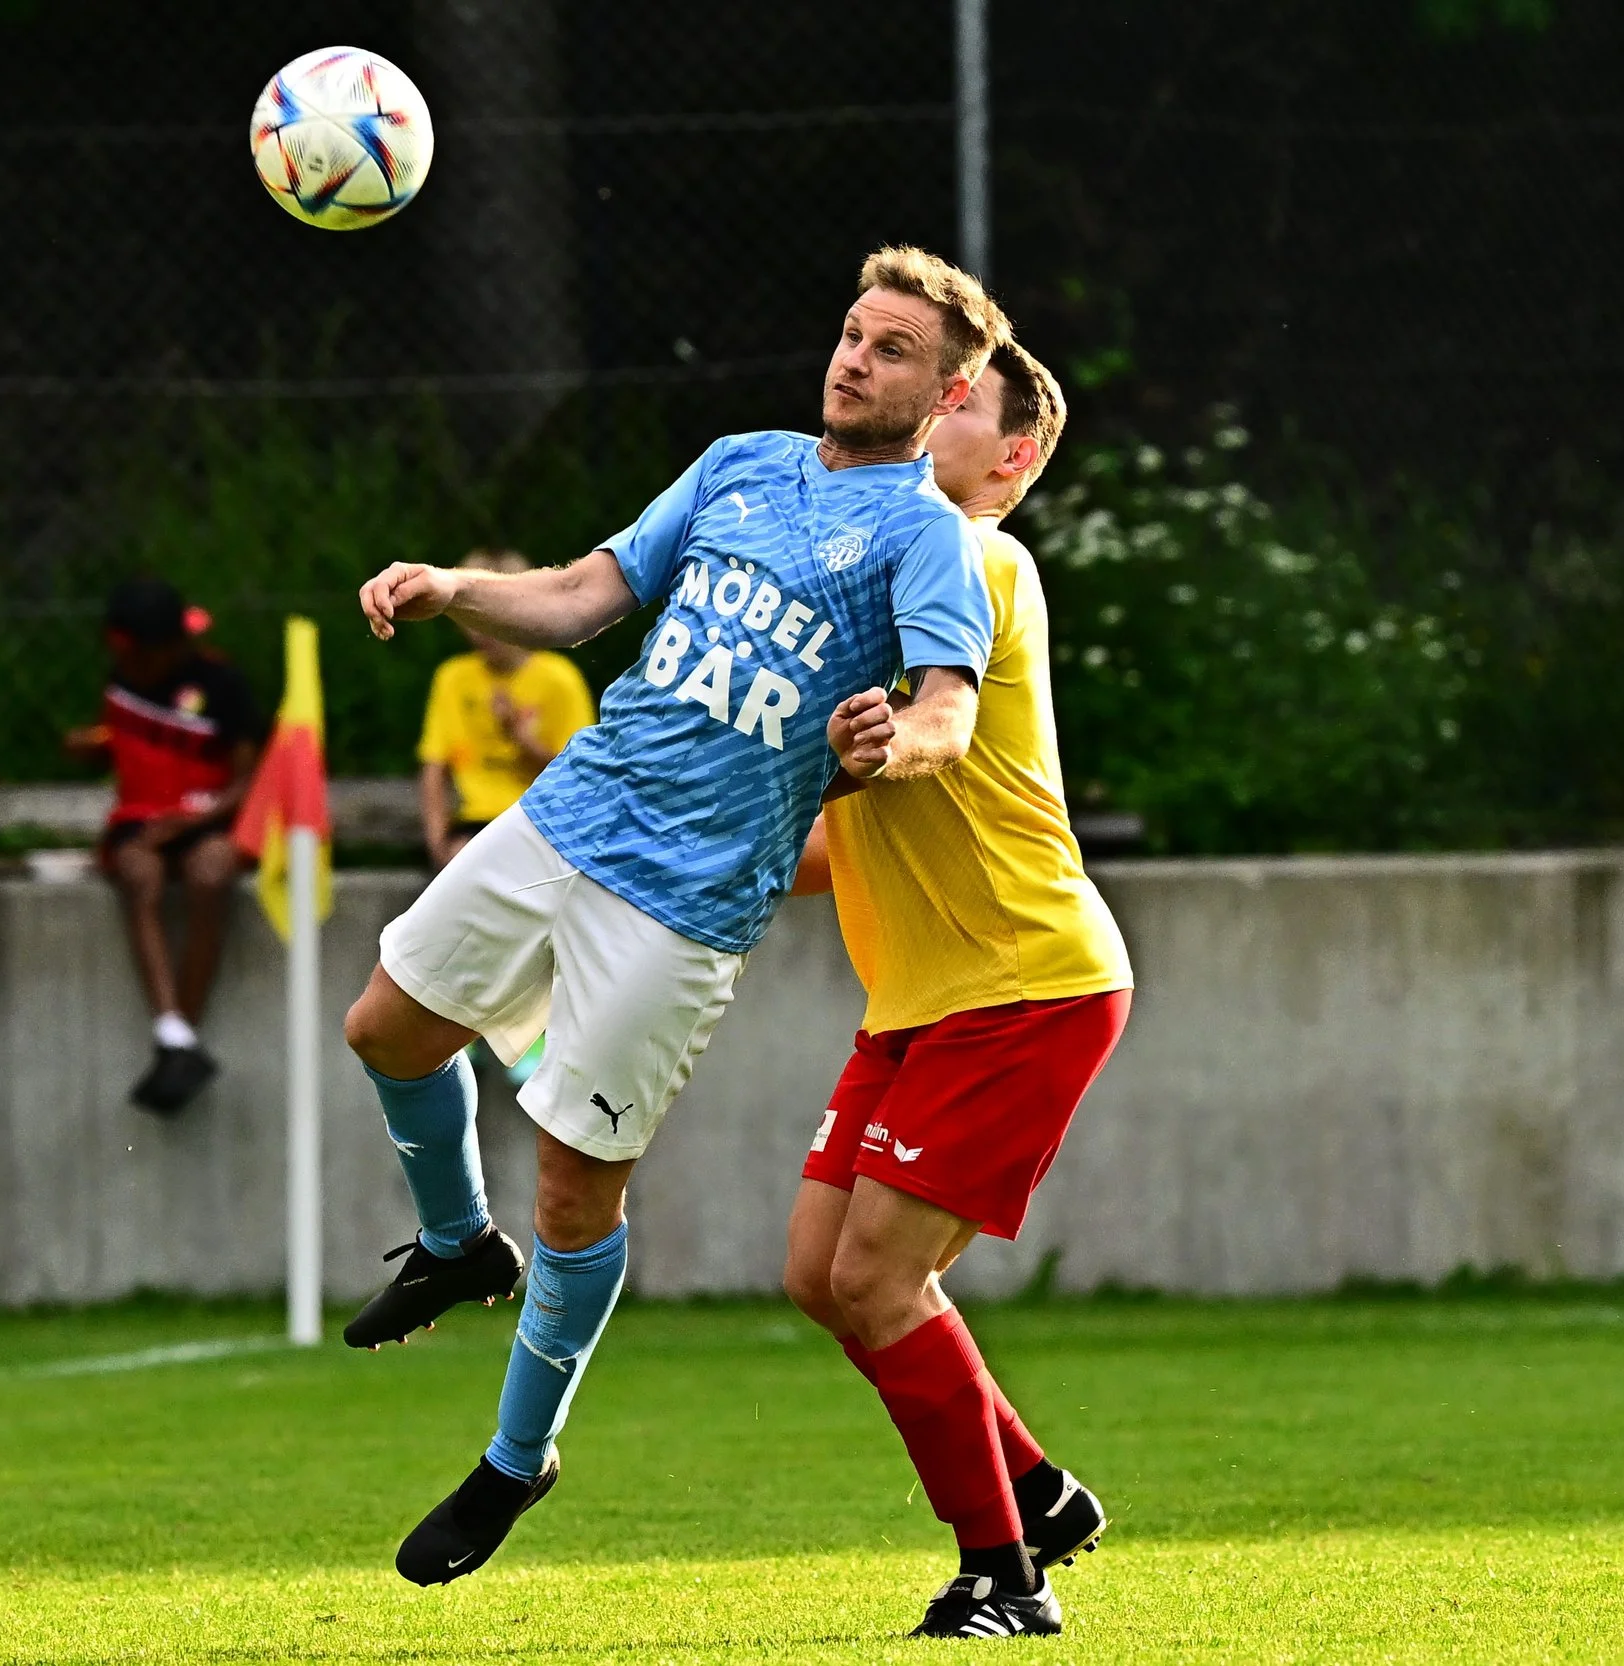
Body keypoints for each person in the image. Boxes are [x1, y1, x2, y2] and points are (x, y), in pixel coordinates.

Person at [344, 244, 1006, 1589]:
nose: (854, 359)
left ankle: (518, 1456)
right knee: (387, 1027)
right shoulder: (737, 462)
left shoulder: (924, 532)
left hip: (686, 901)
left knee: (577, 1194)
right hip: (569, 812)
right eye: (850, 331)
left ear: (943, 396)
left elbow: (950, 706)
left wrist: (896, 743)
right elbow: (591, 596)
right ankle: (460, 1245)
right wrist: (456, 586)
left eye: (890, 350)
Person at [784, 340, 1132, 1640]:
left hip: (1024, 983)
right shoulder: (893, 566)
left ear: (1013, 458)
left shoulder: (976, 558)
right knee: (822, 1274)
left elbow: (928, 739)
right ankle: (1035, 1491)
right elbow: (835, 840)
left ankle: (1006, 1576)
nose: (932, 408)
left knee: (879, 1280)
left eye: (962, 402)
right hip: (923, 1003)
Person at [66, 578, 266, 1115]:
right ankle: (173, 1034)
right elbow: (134, 751)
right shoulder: (122, 682)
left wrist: (187, 823)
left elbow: (248, 781)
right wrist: (94, 746)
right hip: (139, 822)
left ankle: (180, 1030)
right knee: (139, 875)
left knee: (210, 874)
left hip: (207, 816)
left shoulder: (222, 682)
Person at [416, 548, 596, 871]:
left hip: (541, 822)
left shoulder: (560, 679)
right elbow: (434, 767)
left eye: (491, 616)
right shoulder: (452, 678)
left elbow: (580, 777)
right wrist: (438, 844)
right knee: (465, 861)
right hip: (476, 823)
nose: (480, 631)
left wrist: (522, 741)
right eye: (472, 617)